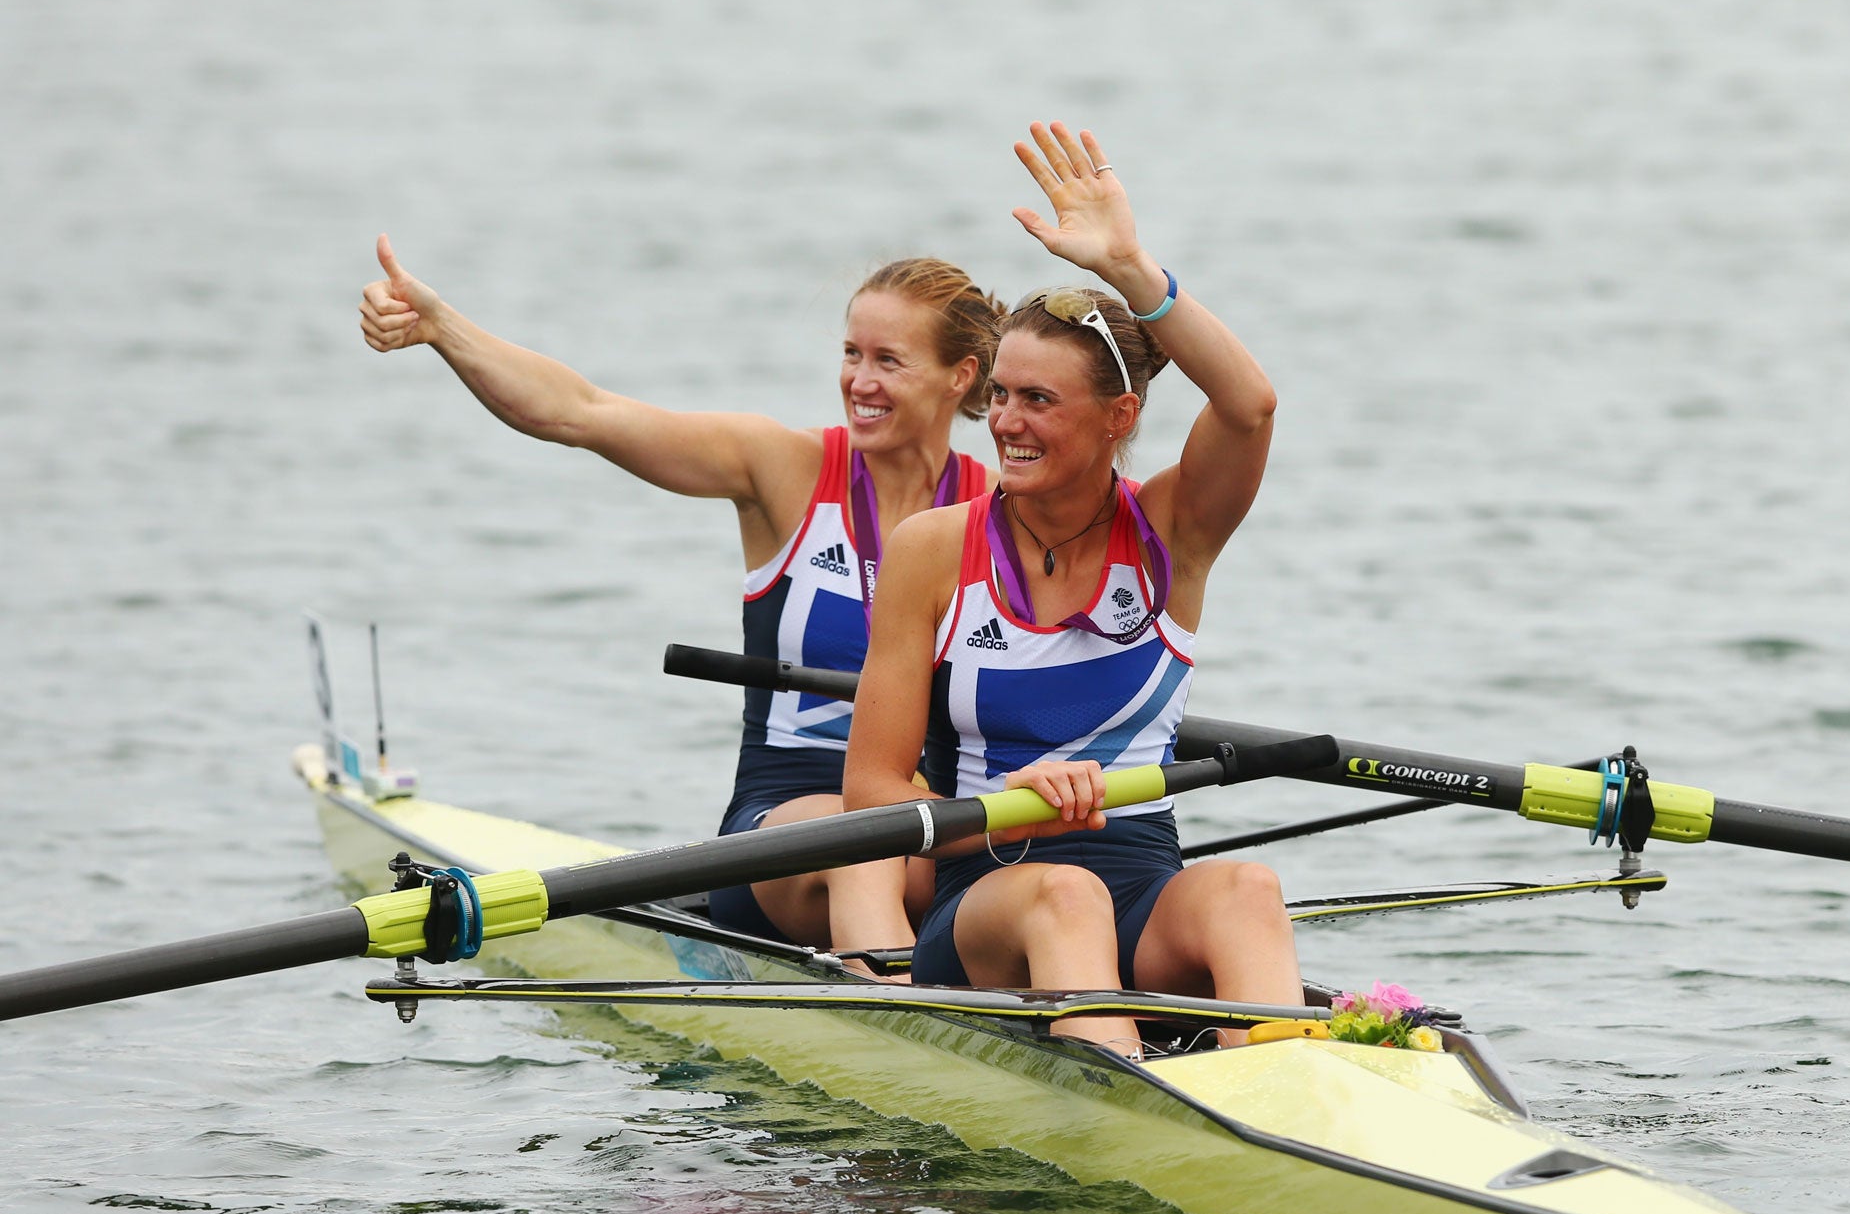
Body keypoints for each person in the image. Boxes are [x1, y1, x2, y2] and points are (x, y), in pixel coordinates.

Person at [358, 240, 1005, 966]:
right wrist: (444, 327)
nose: (860, 380)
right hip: (785, 824)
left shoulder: (999, 509)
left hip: (932, 817)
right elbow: (579, 413)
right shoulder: (782, 468)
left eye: (889, 360)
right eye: (852, 353)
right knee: (863, 845)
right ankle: (897, 1009)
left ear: (962, 376)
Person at [844, 122, 1293, 1058]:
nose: (1004, 420)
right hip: (991, 891)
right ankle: (1130, 1098)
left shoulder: (1173, 531)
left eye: (1038, 400)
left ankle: (1291, 1095)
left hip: (1141, 882)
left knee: (1246, 888)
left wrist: (1134, 269)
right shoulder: (936, 549)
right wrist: (1011, 793)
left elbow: (1248, 405)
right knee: (1066, 894)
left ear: (1119, 415)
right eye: (1001, 393)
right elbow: (871, 792)